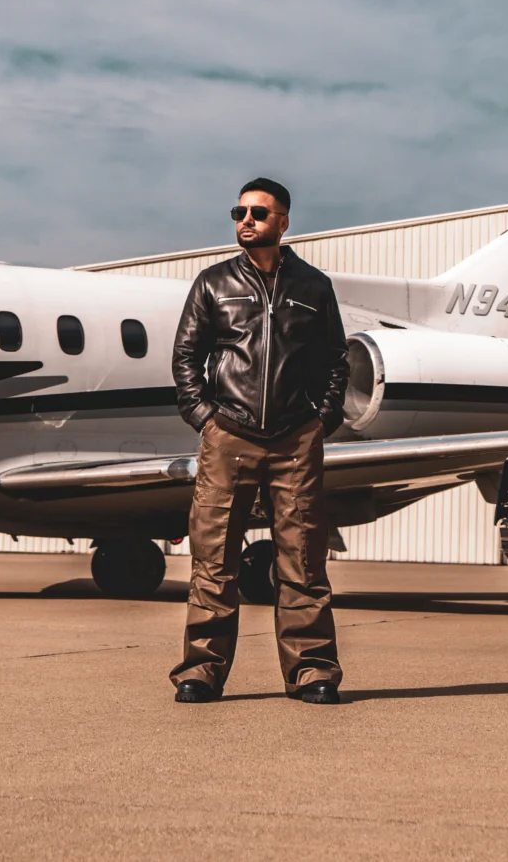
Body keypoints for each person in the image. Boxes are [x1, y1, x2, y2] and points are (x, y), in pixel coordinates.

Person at [167, 177, 352, 705]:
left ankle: (312, 671)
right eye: (240, 212)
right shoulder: (213, 283)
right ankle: (201, 670)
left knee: (303, 561)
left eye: (258, 213)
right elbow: (186, 357)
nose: (246, 220)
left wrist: (320, 421)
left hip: (296, 440)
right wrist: (205, 418)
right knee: (213, 559)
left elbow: (335, 361)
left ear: (283, 222)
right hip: (228, 436)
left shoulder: (314, 287)